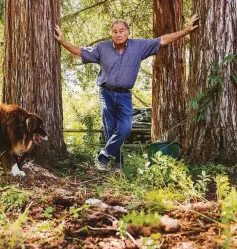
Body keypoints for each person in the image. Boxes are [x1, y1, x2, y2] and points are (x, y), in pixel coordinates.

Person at [55, 15, 199, 171]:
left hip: (124, 95)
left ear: (128, 32)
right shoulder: (102, 48)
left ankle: (103, 156)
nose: (118, 34)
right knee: (110, 129)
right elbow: (80, 51)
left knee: (125, 128)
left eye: (121, 31)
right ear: (112, 34)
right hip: (106, 93)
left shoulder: (139, 46)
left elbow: (163, 40)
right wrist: (62, 41)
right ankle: (118, 164)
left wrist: (186, 30)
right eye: (115, 31)